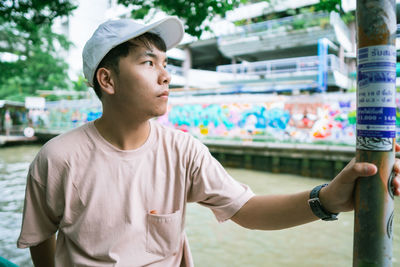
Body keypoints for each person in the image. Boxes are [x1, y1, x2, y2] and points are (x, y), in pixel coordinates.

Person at [17, 16, 400, 267]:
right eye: (149, 63)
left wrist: (327, 198)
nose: (166, 76)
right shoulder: (57, 160)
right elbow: (40, 240)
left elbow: (247, 209)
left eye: (166, 64)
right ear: (108, 80)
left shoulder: (183, 151)